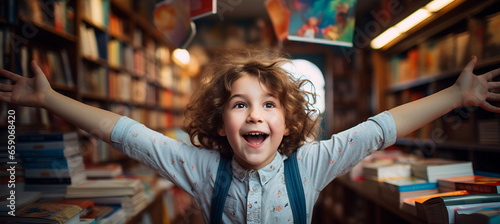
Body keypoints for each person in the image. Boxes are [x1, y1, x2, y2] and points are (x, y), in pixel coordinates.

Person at [0, 49, 499, 223]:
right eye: (240, 105)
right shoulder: (199, 166)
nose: (254, 115)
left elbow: (380, 130)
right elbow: (126, 134)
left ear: (287, 123)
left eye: (268, 105)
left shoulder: (311, 163)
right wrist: (48, 101)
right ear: (222, 123)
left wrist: (455, 96)